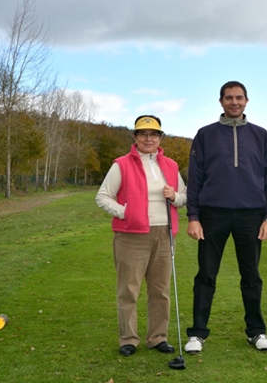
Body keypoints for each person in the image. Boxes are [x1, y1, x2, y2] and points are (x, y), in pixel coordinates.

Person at [184, 81, 267, 353]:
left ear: (247, 101)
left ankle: (256, 331)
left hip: (251, 215)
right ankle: (198, 333)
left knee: (251, 275)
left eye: (239, 98)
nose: (234, 102)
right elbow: (196, 179)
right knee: (206, 275)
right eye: (229, 98)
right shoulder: (205, 134)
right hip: (213, 214)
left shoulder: (261, 135)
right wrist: (193, 216)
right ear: (221, 101)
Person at [96, 115, 187, 357]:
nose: (149, 138)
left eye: (154, 134)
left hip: (164, 232)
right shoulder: (122, 164)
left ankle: (158, 337)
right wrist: (125, 211)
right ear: (135, 137)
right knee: (129, 289)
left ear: (159, 138)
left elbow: (184, 197)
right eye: (143, 133)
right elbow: (103, 196)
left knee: (160, 289)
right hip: (131, 235)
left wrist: (174, 197)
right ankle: (128, 338)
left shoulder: (171, 165)